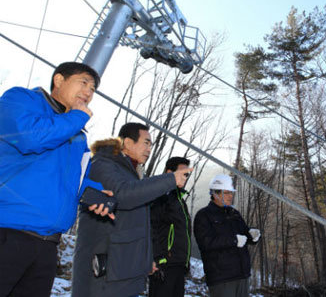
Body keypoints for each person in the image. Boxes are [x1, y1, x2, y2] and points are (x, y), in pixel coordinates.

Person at [0, 62, 114, 297]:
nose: (89, 92)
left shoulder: (77, 137)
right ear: (59, 80)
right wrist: (76, 118)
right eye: (84, 82)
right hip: (8, 233)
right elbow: (31, 137)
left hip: (47, 246)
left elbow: (77, 180)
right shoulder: (22, 99)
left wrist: (94, 195)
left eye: (93, 89)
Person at [72, 122, 192, 297]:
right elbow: (124, 195)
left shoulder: (130, 172)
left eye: (151, 144)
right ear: (128, 143)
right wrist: (169, 179)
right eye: (146, 143)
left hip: (124, 270)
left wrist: (146, 259)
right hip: (104, 272)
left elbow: (139, 224)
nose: (149, 149)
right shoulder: (103, 164)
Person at [194, 174, 261, 297]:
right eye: (226, 193)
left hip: (242, 275)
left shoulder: (234, 213)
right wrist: (234, 240)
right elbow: (206, 243)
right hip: (222, 278)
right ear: (215, 193)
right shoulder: (204, 216)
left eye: (231, 192)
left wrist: (253, 236)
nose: (231, 196)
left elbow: (244, 234)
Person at [149, 156, 192, 297]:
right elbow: (151, 227)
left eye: (187, 174)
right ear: (169, 172)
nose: (185, 177)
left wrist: (185, 263)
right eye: (182, 173)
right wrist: (158, 258)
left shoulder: (179, 200)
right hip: (163, 266)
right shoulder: (160, 196)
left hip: (179, 265)